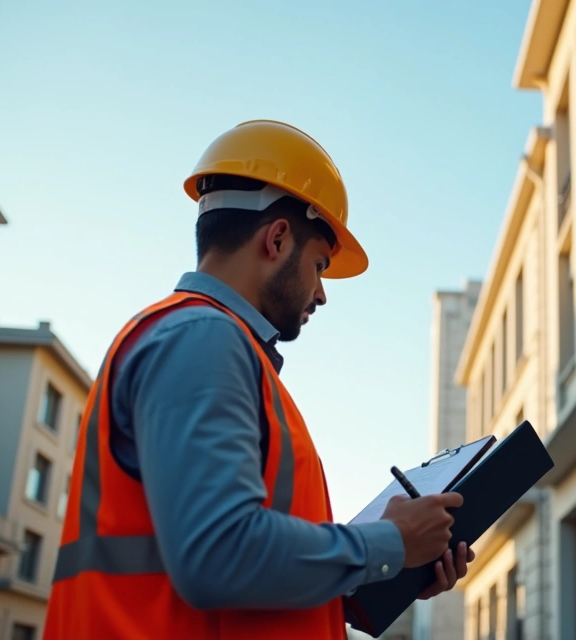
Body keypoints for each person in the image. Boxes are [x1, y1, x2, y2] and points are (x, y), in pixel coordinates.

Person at [43, 120, 473, 639]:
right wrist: (389, 544)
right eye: (319, 265)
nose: (321, 294)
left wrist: (379, 574)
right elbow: (217, 554)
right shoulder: (202, 339)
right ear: (277, 238)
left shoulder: (207, 345)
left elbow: (230, 567)